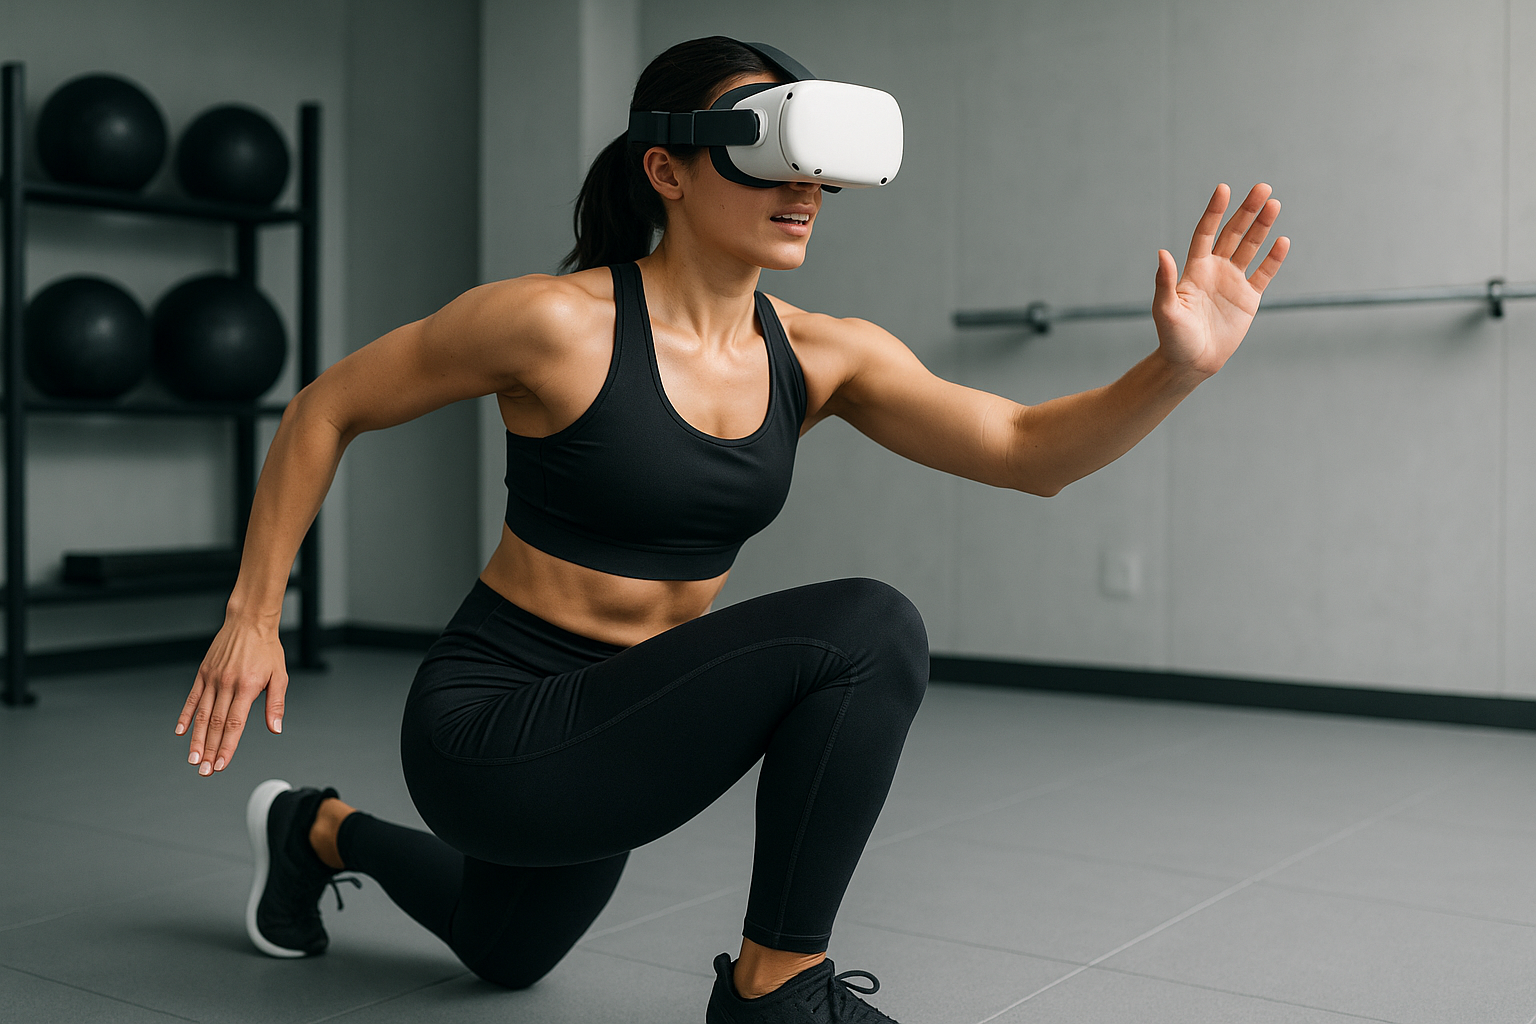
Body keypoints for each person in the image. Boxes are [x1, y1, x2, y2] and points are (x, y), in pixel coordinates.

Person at [172, 34, 1288, 1024]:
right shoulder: (554, 323)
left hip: (625, 719)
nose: (802, 187)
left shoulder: (824, 351)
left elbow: (1027, 451)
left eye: (815, 164)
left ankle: (313, 831)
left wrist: (1173, 371)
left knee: (506, 950)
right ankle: (771, 990)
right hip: (490, 728)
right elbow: (330, 405)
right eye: (766, 152)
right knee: (870, 628)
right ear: (666, 168)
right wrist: (253, 614)